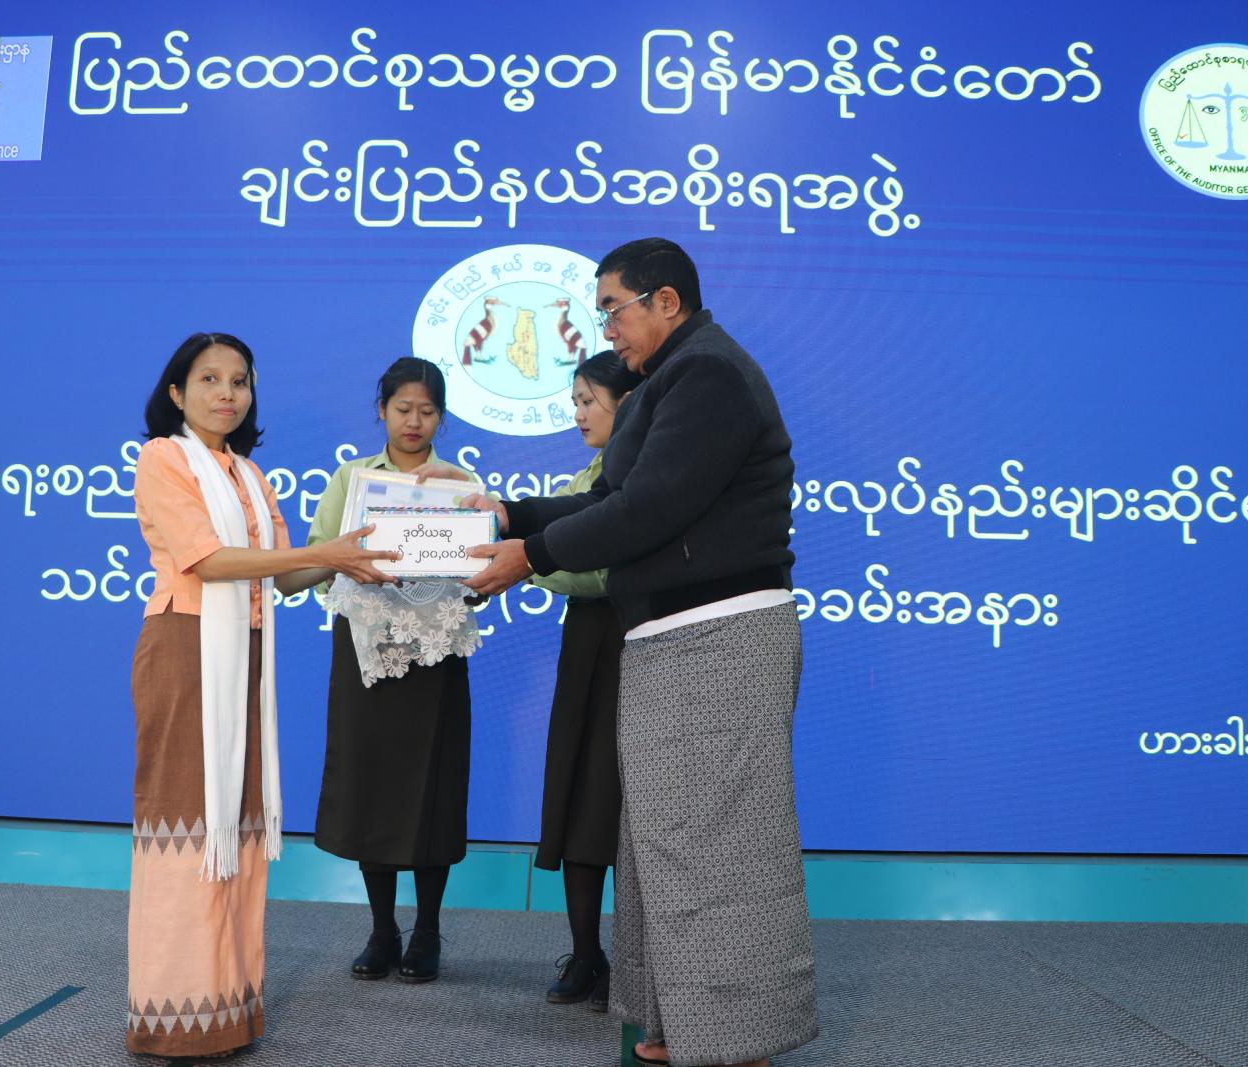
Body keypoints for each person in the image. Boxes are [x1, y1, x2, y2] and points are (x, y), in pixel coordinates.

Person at [463, 240, 818, 1067]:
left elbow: (650, 509)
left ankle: (741, 1040)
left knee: (724, 846)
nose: (606, 330)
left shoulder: (710, 374)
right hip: (666, 637)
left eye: (612, 310)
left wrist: (530, 557)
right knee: (664, 840)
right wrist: (517, 514)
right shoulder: (666, 380)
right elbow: (610, 497)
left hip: (722, 634)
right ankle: (682, 1021)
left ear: (665, 300)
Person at [127, 332, 397, 1060]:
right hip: (185, 648)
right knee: (188, 825)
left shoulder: (248, 474)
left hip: (241, 653)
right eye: (209, 379)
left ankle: (227, 1008)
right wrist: (323, 551)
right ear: (177, 392)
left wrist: (351, 555)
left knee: (235, 827)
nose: (227, 393)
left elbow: (282, 576)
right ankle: (175, 1015)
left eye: (240, 380)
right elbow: (207, 560)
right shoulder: (164, 458)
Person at [307, 356, 479, 984]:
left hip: (435, 651)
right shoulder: (352, 478)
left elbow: (482, 569)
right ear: (381, 410)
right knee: (372, 784)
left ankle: (427, 931)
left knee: (432, 787)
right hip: (366, 649)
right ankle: (382, 930)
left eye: (427, 411)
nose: (414, 421)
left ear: (441, 417)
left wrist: (464, 580)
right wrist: (349, 565)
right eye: (403, 409)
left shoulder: (461, 482)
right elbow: (317, 558)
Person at [530, 352, 643, 1012]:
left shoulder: (642, 473)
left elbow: (603, 569)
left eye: (586, 400)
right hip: (586, 647)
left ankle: (636, 963)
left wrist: (526, 563)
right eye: (574, 401)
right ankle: (586, 954)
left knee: (622, 806)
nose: (576, 414)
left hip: (634, 644)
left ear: (627, 404)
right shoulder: (583, 478)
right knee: (579, 799)